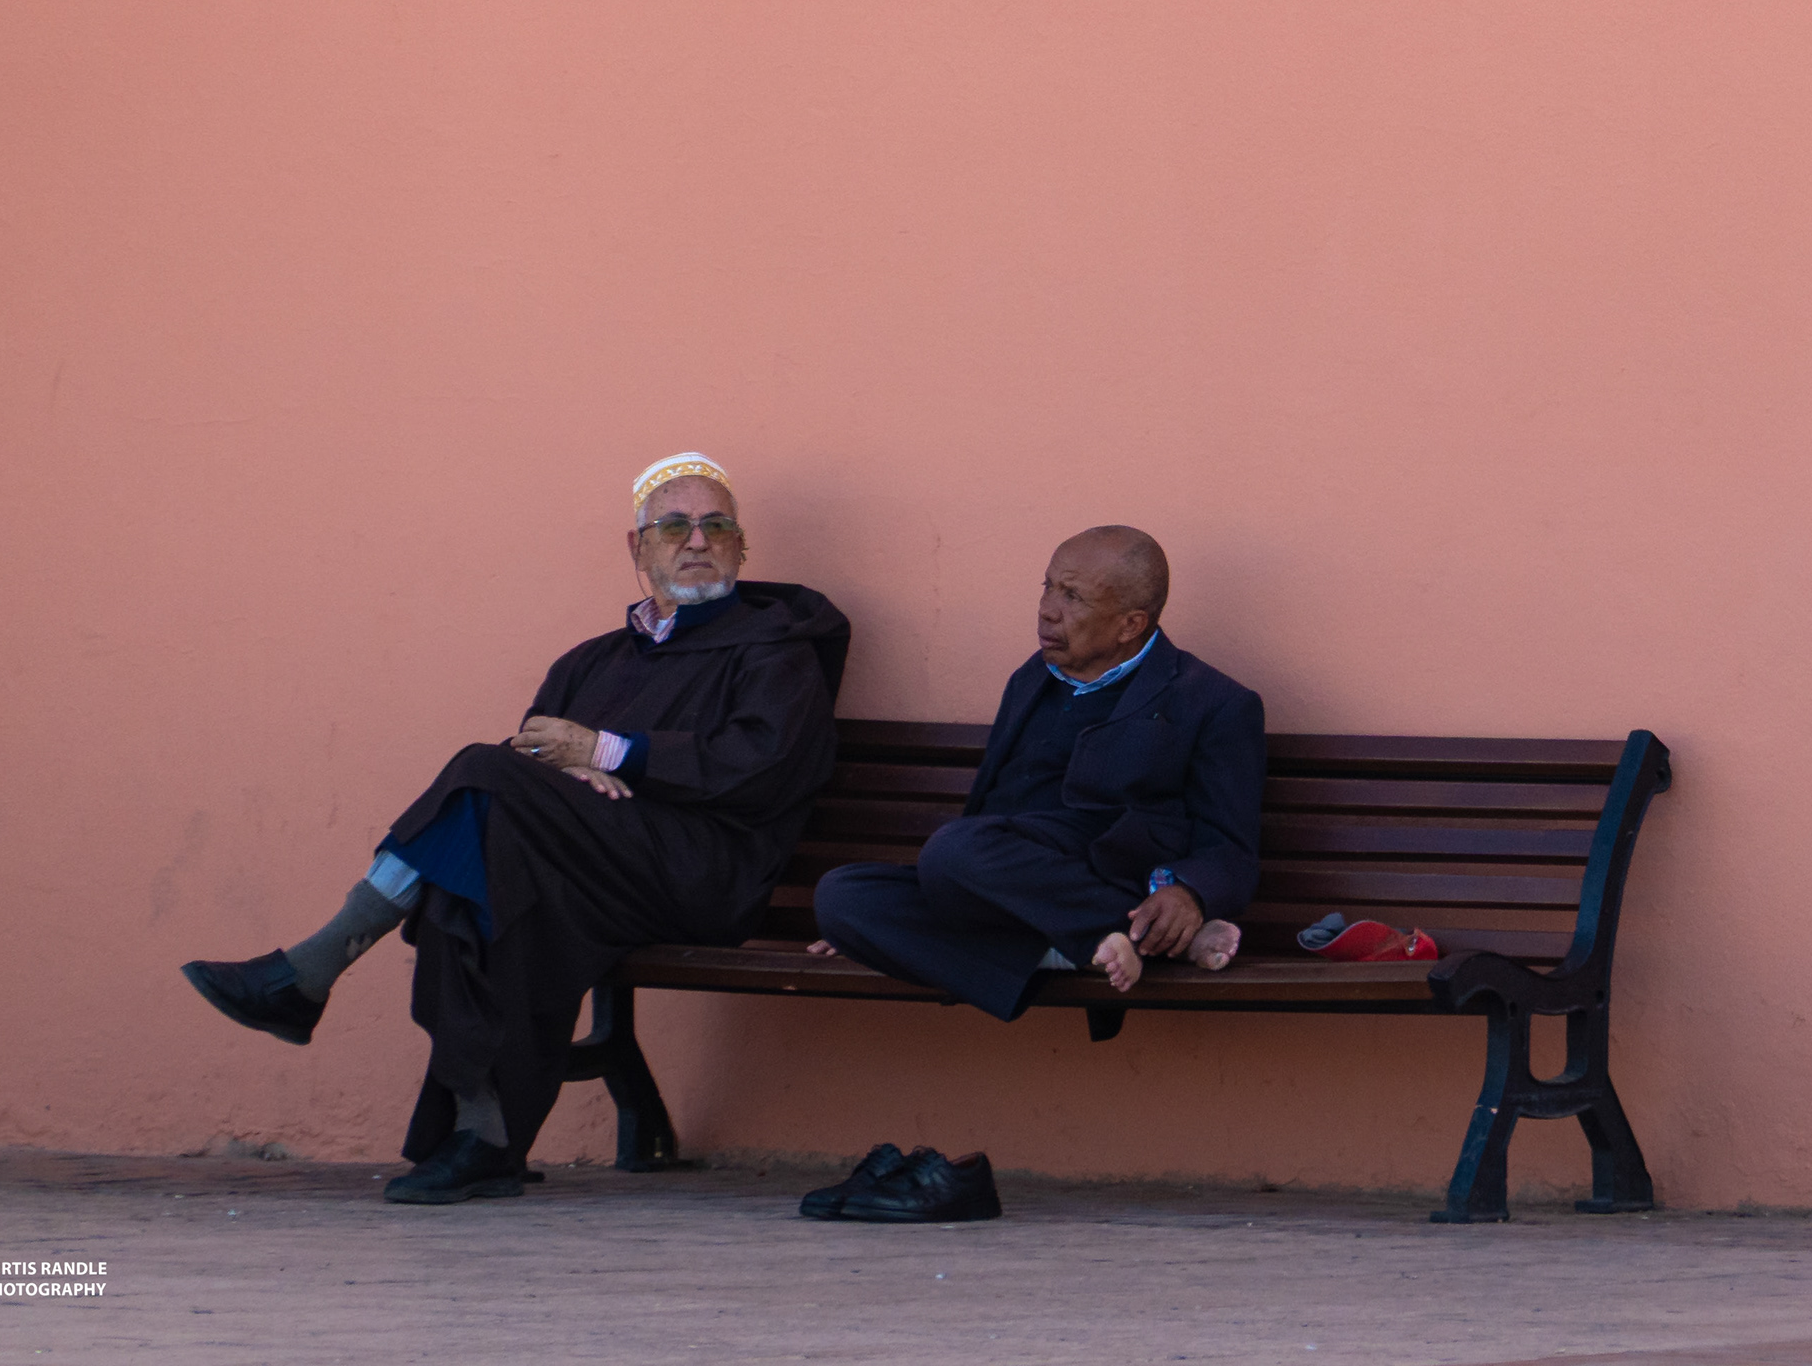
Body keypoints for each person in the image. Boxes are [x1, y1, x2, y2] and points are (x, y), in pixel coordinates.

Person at [181, 453, 852, 1205]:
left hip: (704, 873)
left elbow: (760, 766)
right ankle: (485, 1139)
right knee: (470, 878)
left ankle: (309, 971)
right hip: (595, 870)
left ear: (741, 547)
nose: (697, 541)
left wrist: (603, 753)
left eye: (716, 525)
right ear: (638, 549)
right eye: (674, 526)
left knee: (482, 775)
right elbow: (530, 759)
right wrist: (565, 776)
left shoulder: (777, 650)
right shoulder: (591, 662)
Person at [797, 525, 1260, 1223]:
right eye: (1047, 586)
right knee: (841, 898)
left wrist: (1188, 892)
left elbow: (1231, 845)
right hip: (1013, 885)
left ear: (1132, 623)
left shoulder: (1213, 702)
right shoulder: (1031, 682)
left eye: (1073, 597)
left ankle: (1101, 931)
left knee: (954, 852)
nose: (1048, 609)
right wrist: (890, 927)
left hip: (1104, 876)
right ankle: (1086, 941)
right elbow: (986, 817)